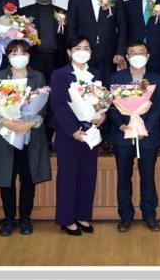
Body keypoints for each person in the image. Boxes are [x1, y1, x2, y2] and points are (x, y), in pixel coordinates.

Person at [0, 39, 51, 236]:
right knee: (7, 178)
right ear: (7, 55)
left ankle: (25, 219)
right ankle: (9, 219)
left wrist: (32, 122)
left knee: (28, 179)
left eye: (23, 53)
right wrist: (5, 122)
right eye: (14, 53)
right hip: (5, 135)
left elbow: (43, 106)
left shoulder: (38, 77)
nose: (18, 56)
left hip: (31, 135)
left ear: (29, 55)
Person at [66, 0, 127, 152]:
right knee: (83, 93)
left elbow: (122, 26)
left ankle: (106, 136)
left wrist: (120, 52)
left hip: (109, 54)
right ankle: (85, 131)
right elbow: (71, 26)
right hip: (83, 55)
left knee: (105, 94)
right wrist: (74, 51)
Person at [48, 37, 107, 236]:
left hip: (91, 131)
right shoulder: (59, 74)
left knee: (88, 175)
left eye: (86, 48)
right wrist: (73, 130)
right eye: (77, 48)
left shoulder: (96, 73)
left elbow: (101, 100)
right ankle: (66, 219)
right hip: (68, 132)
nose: (82, 51)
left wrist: (102, 115)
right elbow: (57, 104)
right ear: (69, 52)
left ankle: (83, 215)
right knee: (67, 176)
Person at [107, 42, 160, 232]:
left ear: (147, 56)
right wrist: (121, 124)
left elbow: (159, 107)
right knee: (124, 178)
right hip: (122, 134)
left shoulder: (157, 78)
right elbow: (111, 106)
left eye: (141, 52)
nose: (137, 56)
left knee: (148, 177)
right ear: (127, 57)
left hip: (148, 135)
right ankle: (125, 216)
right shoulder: (116, 77)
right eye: (132, 53)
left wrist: (144, 127)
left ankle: (149, 215)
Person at [17, 0, 68, 149]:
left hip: (57, 60)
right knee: (33, 96)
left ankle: (50, 136)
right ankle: (33, 136)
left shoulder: (63, 12)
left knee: (55, 97)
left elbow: (68, 38)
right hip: (33, 60)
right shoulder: (23, 13)